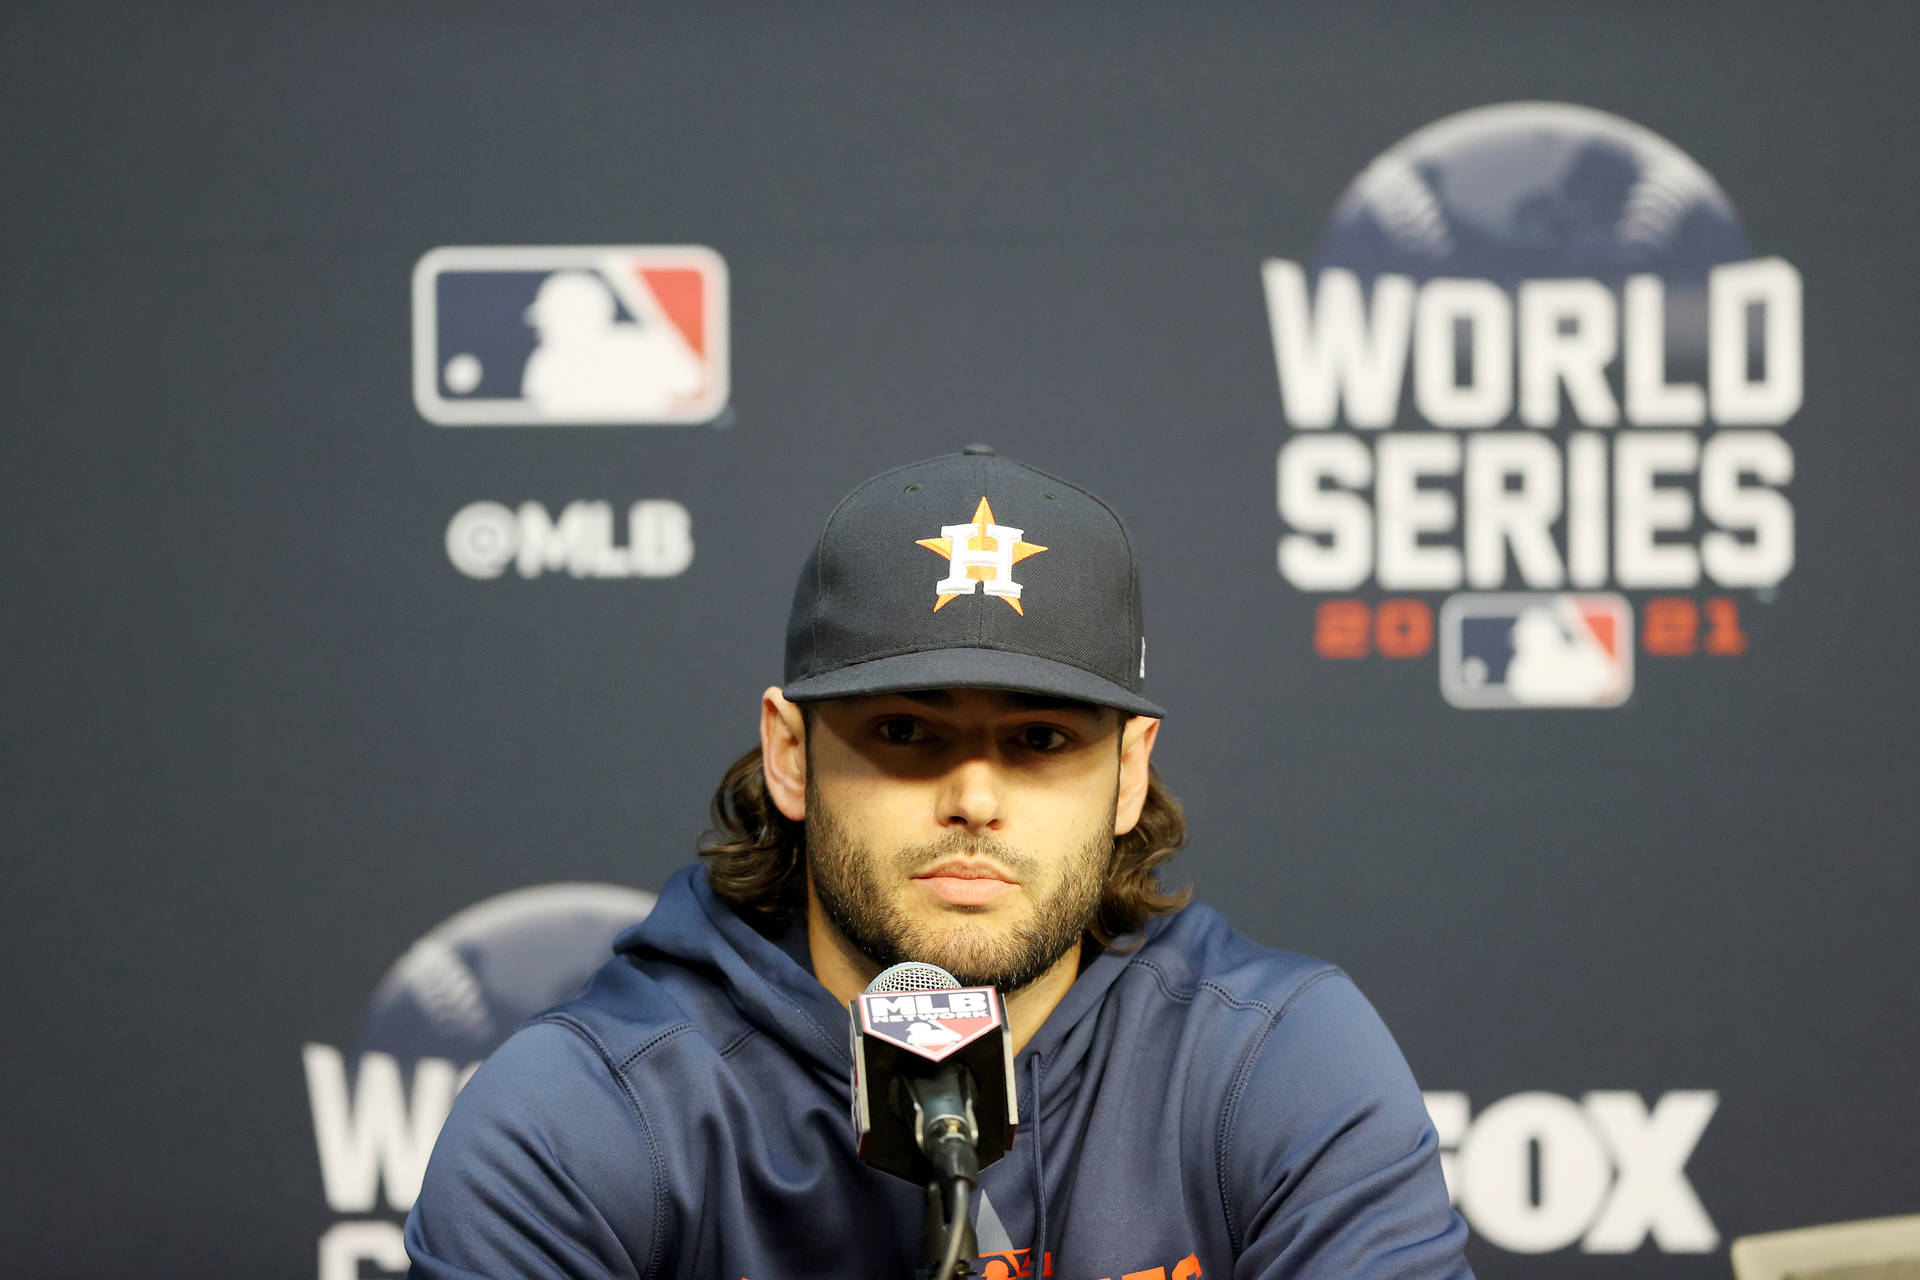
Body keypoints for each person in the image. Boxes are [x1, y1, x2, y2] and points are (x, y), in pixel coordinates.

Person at [406, 447, 1472, 1280]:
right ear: (791, 753)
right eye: (909, 731)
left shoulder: (1274, 1064)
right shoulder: (590, 1110)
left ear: (1129, 773)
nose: (974, 795)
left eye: (1042, 738)